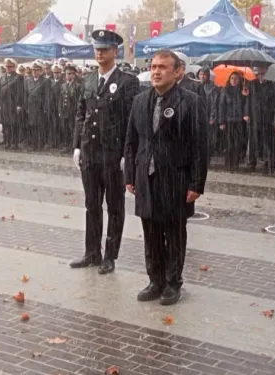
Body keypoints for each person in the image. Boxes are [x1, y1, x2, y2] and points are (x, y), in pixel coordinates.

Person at [124, 49, 208, 305]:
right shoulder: (140, 101)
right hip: (145, 179)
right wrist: (130, 174)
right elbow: (131, 141)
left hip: (176, 180)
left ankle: (173, 282)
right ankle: (155, 280)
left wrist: (196, 183)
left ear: (178, 71)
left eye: (163, 67)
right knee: (150, 232)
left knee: (173, 234)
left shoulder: (190, 102)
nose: (157, 71)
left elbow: (200, 146)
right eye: (154, 67)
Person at [70, 29, 139, 274]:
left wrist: (127, 154)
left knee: (115, 207)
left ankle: (110, 255)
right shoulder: (88, 80)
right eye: (97, 49)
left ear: (115, 52)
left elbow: (132, 121)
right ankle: (92, 252)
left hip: (113, 155)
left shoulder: (127, 82)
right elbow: (81, 115)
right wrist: (77, 145)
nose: (100, 53)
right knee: (92, 205)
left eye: (105, 49)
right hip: (90, 153)